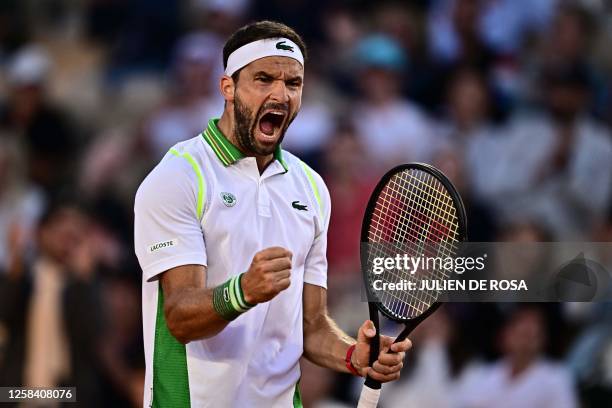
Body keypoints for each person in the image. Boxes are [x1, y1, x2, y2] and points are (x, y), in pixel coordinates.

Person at [134, 21, 411, 407]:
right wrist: (243, 291)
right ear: (228, 88)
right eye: (263, 79)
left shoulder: (312, 188)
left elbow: (311, 325)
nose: (280, 94)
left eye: (293, 83)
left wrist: (353, 355)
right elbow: (179, 317)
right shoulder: (179, 176)